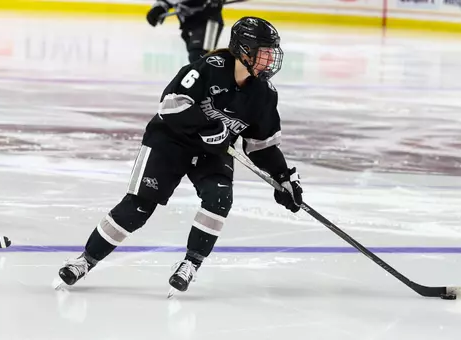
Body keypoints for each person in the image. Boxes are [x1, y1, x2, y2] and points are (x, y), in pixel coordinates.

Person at [57, 16, 303, 295]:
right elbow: (171, 105)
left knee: (219, 197)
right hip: (170, 140)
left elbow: (263, 145)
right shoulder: (208, 69)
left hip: (212, 151)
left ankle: (190, 264)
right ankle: (84, 261)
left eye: (272, 52)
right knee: (138, 208)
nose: (270, 59)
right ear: (244, 49)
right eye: (264, 51)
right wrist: (210, 126)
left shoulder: (265, 95)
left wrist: (283, 178)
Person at [146, 0, 225, 63]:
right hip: (188, 24)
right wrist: (158, 9)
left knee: (199, 55)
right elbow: (166, 2)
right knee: (196, 58)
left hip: (208, 19)